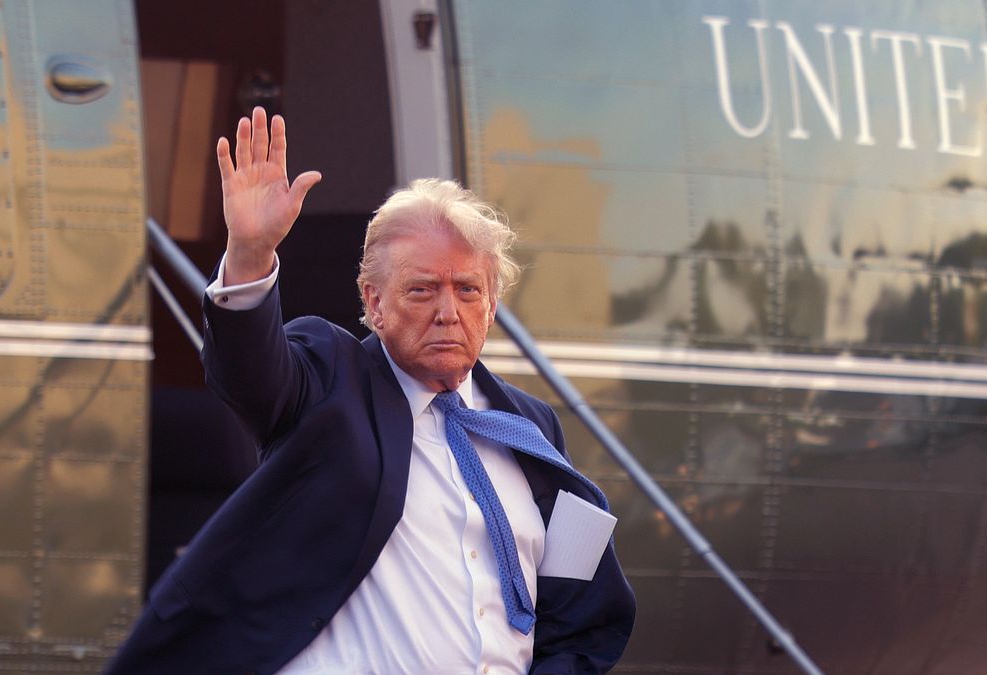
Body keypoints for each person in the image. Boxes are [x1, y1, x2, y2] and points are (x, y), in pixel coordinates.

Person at [107, 107, 635, 673]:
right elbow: (251, 375)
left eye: (467, 290)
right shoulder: (329, 384)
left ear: (492, 305)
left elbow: (581, 609)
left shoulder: (530, 429)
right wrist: (251, 255)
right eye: (421, 289)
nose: (447, 313)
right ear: (374, 302)